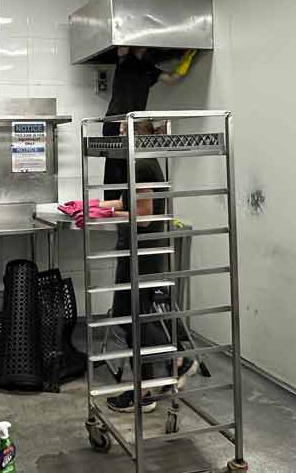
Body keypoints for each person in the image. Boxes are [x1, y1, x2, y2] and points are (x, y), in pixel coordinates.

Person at [97, 120, 200, 413]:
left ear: (135, 134)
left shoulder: (142, 166)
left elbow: (143, 216)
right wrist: (93, 205)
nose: (118, 136)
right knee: (131, 316)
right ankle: (154, 380)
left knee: (133, 317)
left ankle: (176, 363)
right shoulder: (142, 162)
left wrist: (105, 216)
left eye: (122, 131)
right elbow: (127, 202)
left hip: (142, 254)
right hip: (139, 251)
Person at [103, 47, 196, 200]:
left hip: (136, 124)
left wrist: (186, 60)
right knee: (116, 171)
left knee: (133, 171)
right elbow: (122, 45)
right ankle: (113, 206)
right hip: (116, 121)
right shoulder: (125, 60)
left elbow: (171, 78)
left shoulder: (148, 68)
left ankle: (132, 207)